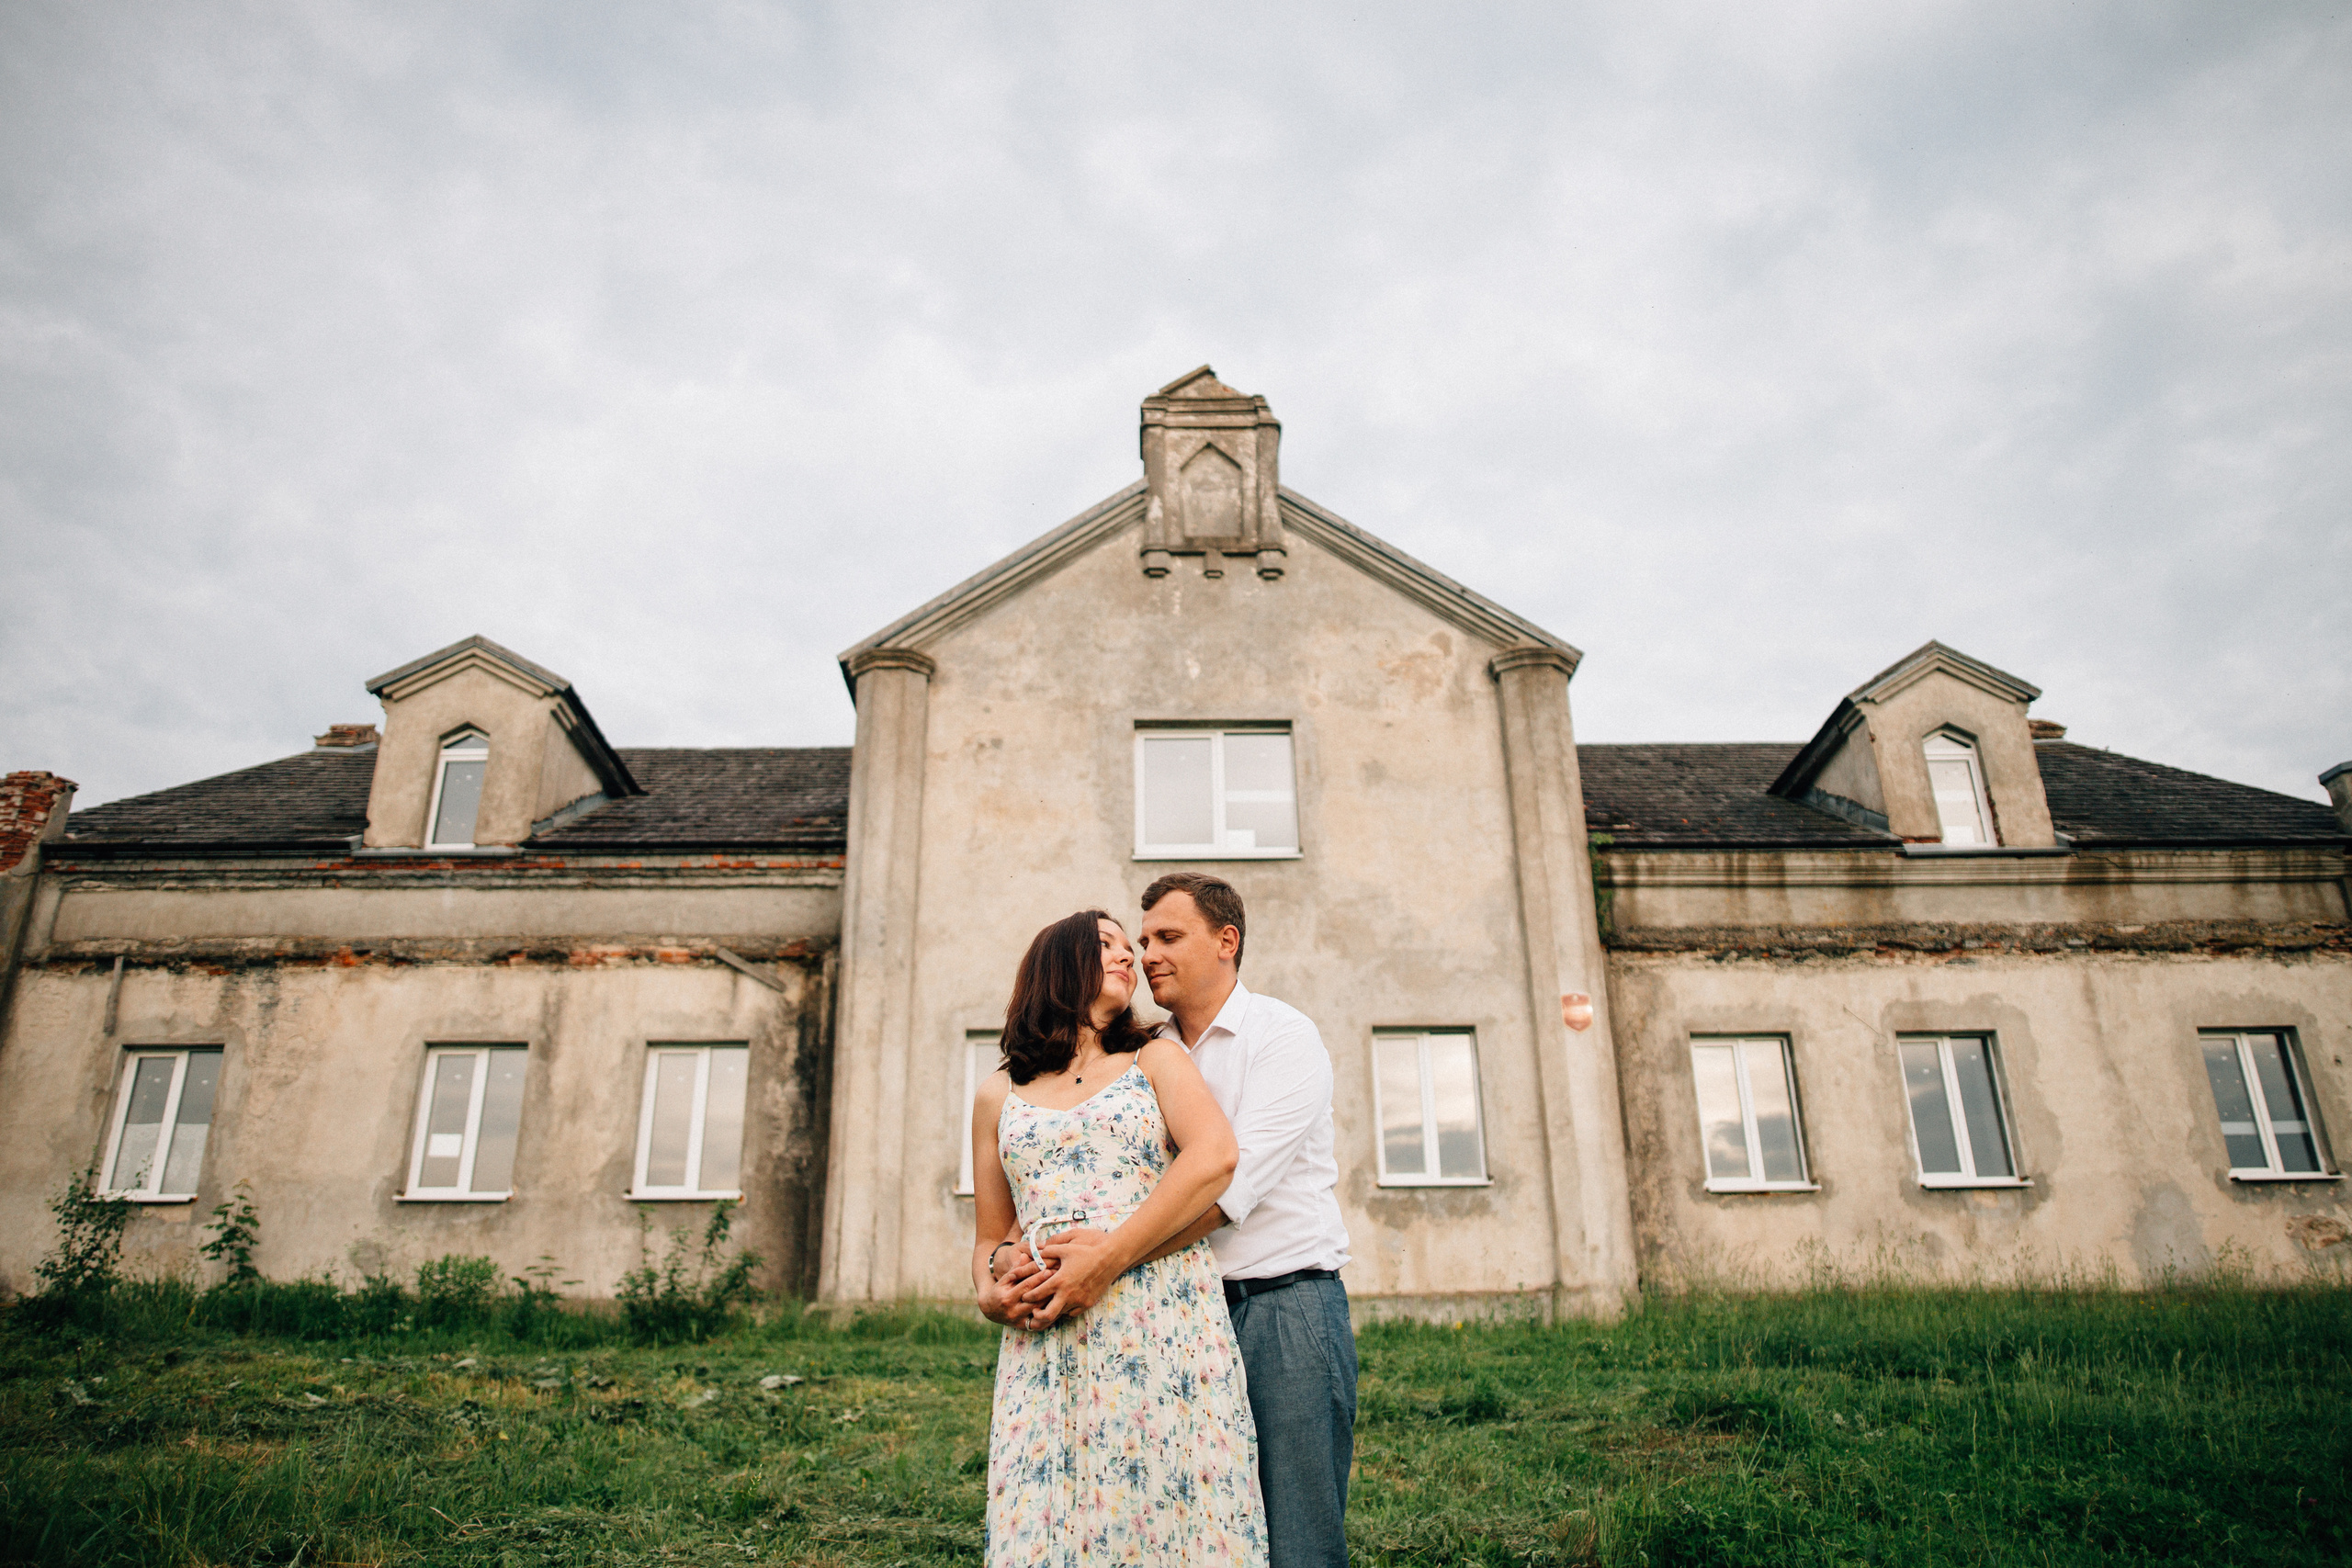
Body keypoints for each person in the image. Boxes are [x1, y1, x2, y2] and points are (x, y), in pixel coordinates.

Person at [1014, 873, 1356, 1568]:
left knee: (1296, 1536)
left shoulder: (1283, 1037)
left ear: (1226, 941)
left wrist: (1105, 1258)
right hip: (1175, 1316)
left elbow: (1229, 1189)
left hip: (1282, 1306)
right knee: (1194, 1528)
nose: (1146, 955)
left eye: (1167, 936)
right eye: (1142, 940)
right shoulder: (1142, 1054)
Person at [969, 908, 1267, 1568]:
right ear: (1059, 961)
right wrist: (991, 1289)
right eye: (1107, 944)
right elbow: (990, 1235)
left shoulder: (1156, 1056)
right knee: (1050, 1511)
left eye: (1129, 947)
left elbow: (1215, 1154)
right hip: (1046, 1336)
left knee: (1170, 1499)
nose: (1129, 956)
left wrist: (1109, 1254)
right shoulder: (998, 1093)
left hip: (1158, 1311)